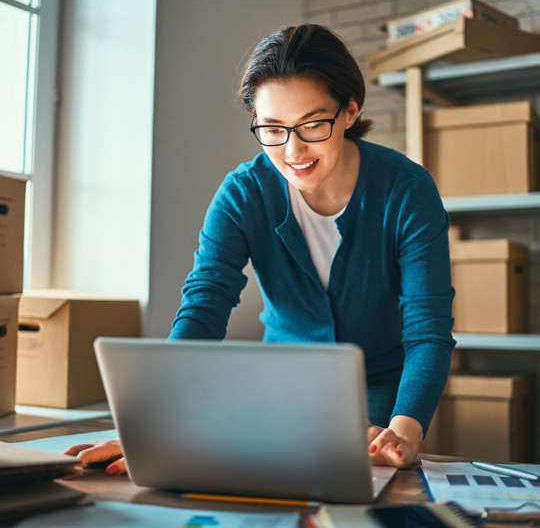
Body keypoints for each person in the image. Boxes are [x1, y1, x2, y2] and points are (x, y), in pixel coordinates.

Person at [64, 24, 455, 477]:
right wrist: (155, 424)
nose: (293, 150)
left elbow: (428, 331)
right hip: (280, 389)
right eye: (272, 129)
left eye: (312, 124)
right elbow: (204, 305)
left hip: (383, 387)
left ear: (350, 110)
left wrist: (404, 431)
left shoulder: (407, 191)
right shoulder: (243, 194)